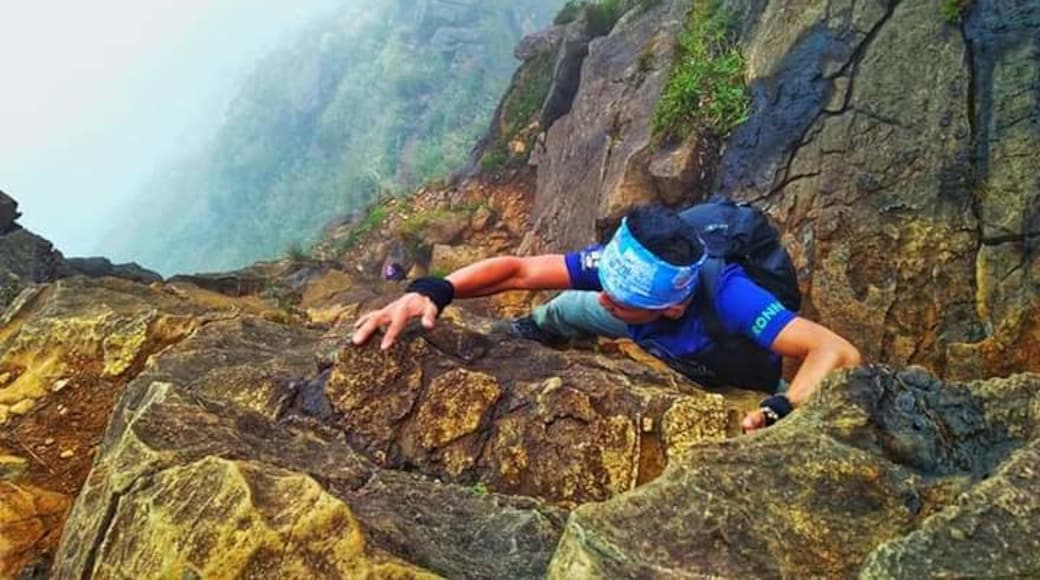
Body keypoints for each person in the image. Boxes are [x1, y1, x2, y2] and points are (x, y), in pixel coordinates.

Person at [353, 205, 861, 431]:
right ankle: (530, 334)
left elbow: (835, 351)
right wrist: (432, 291)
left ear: (673, 305)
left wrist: (783, 406)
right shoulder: (629, 273)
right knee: (570, 306)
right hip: (663, 333)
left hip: (728, 364)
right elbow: (522, 270)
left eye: (622, 298)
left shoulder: (728, 295)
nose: (607, 297)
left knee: (743, 399)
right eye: (608, 285)